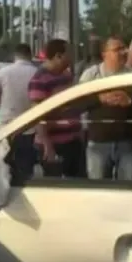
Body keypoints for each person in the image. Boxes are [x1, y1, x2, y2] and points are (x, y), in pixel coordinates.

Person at [79, 36, 132, 180]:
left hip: (129, 144)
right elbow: (77, 103)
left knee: (128, 192)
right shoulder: (91, 75)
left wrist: (131, 101)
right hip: (98, 145)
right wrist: (99, 98)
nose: (123, 52)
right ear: (104, 54)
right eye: (117, 49)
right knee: (99, 192)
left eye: (124, 48)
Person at [28, 39, 85, 178]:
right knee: (57, 187)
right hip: (54, 144)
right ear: (58, 56)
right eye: (69, 53)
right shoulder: (39, 80)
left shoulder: (67, 76)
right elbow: (37, 116)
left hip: (74, 141)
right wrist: (48, 145)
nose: (72, 57)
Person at [0, 43, 38, 182]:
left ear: (15, 56)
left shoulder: (4, 72)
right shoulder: (37, 73)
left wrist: (4, 105)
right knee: (25, 172)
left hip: (6, 129)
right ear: (30, 55)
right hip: (29, 130)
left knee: (3, 170)